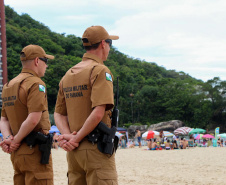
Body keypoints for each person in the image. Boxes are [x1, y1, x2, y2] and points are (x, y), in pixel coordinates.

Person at [54, 25, 119, 185]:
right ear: (103, 44)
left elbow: (59, 114)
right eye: (110, 44)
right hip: (95, 148)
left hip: (74, 152)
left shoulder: (68, 74)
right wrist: (77, 137)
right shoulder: (100, 70)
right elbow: (98, 112)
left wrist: (69, 136)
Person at [0, 45, 54, 184]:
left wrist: (8, 138)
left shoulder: (8, 85)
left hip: (17, 153)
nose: (46, 66)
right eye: (45, 61)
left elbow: (4, 119)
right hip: (34, 151)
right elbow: (33, 118)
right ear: (37, 61)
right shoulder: (36, 84)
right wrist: (15, 140)